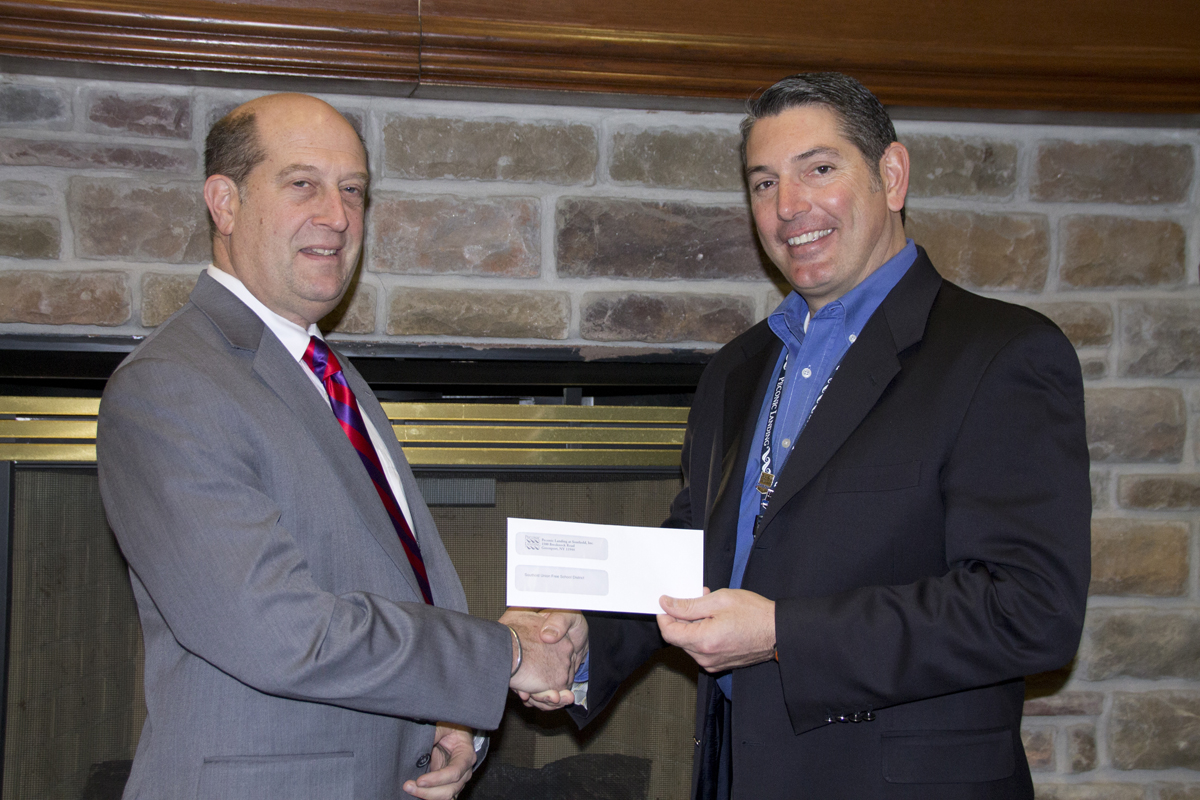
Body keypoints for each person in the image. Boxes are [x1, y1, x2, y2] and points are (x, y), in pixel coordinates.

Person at [536, 72, 1091, 798]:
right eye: (763, 183)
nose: (789, 207)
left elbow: (1030, 610)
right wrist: (580, 639)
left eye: (818, 170)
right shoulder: (736, 370)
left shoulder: (1001, 354)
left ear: (891, 176)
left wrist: (781, 635)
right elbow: (695, 554)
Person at [97, 93, 579, 800]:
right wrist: (501, 656)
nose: (336, 216)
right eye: (303, 185)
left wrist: (444, 716)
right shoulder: (171, 386)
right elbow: (275, 629)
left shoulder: (329, 375)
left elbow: (390, 581)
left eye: (353, 190)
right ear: (223, 203)